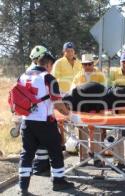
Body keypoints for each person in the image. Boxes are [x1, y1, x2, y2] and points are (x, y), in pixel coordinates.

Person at [18, 48, 74, 195]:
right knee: (55, 150)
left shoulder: (23, 76)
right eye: (51, 65)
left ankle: (23, 186)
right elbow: (57, 103)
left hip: (26, 121)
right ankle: (58, 182)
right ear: (48, 64)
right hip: (44, 122)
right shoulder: (49, 78)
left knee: (27, 153)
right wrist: (69, 114)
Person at [71, 54, 106, 167]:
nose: (87, 66)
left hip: (96, 107)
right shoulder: (78, 76)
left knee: (96, 133)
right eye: (85, 64)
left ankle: (97, 158)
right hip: (82, 108)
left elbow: (105, 90)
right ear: (82, 65)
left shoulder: (100, 75)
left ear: (93, 64)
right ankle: (83, 158)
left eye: (89, 64)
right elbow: (73, 90)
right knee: (82, 133)